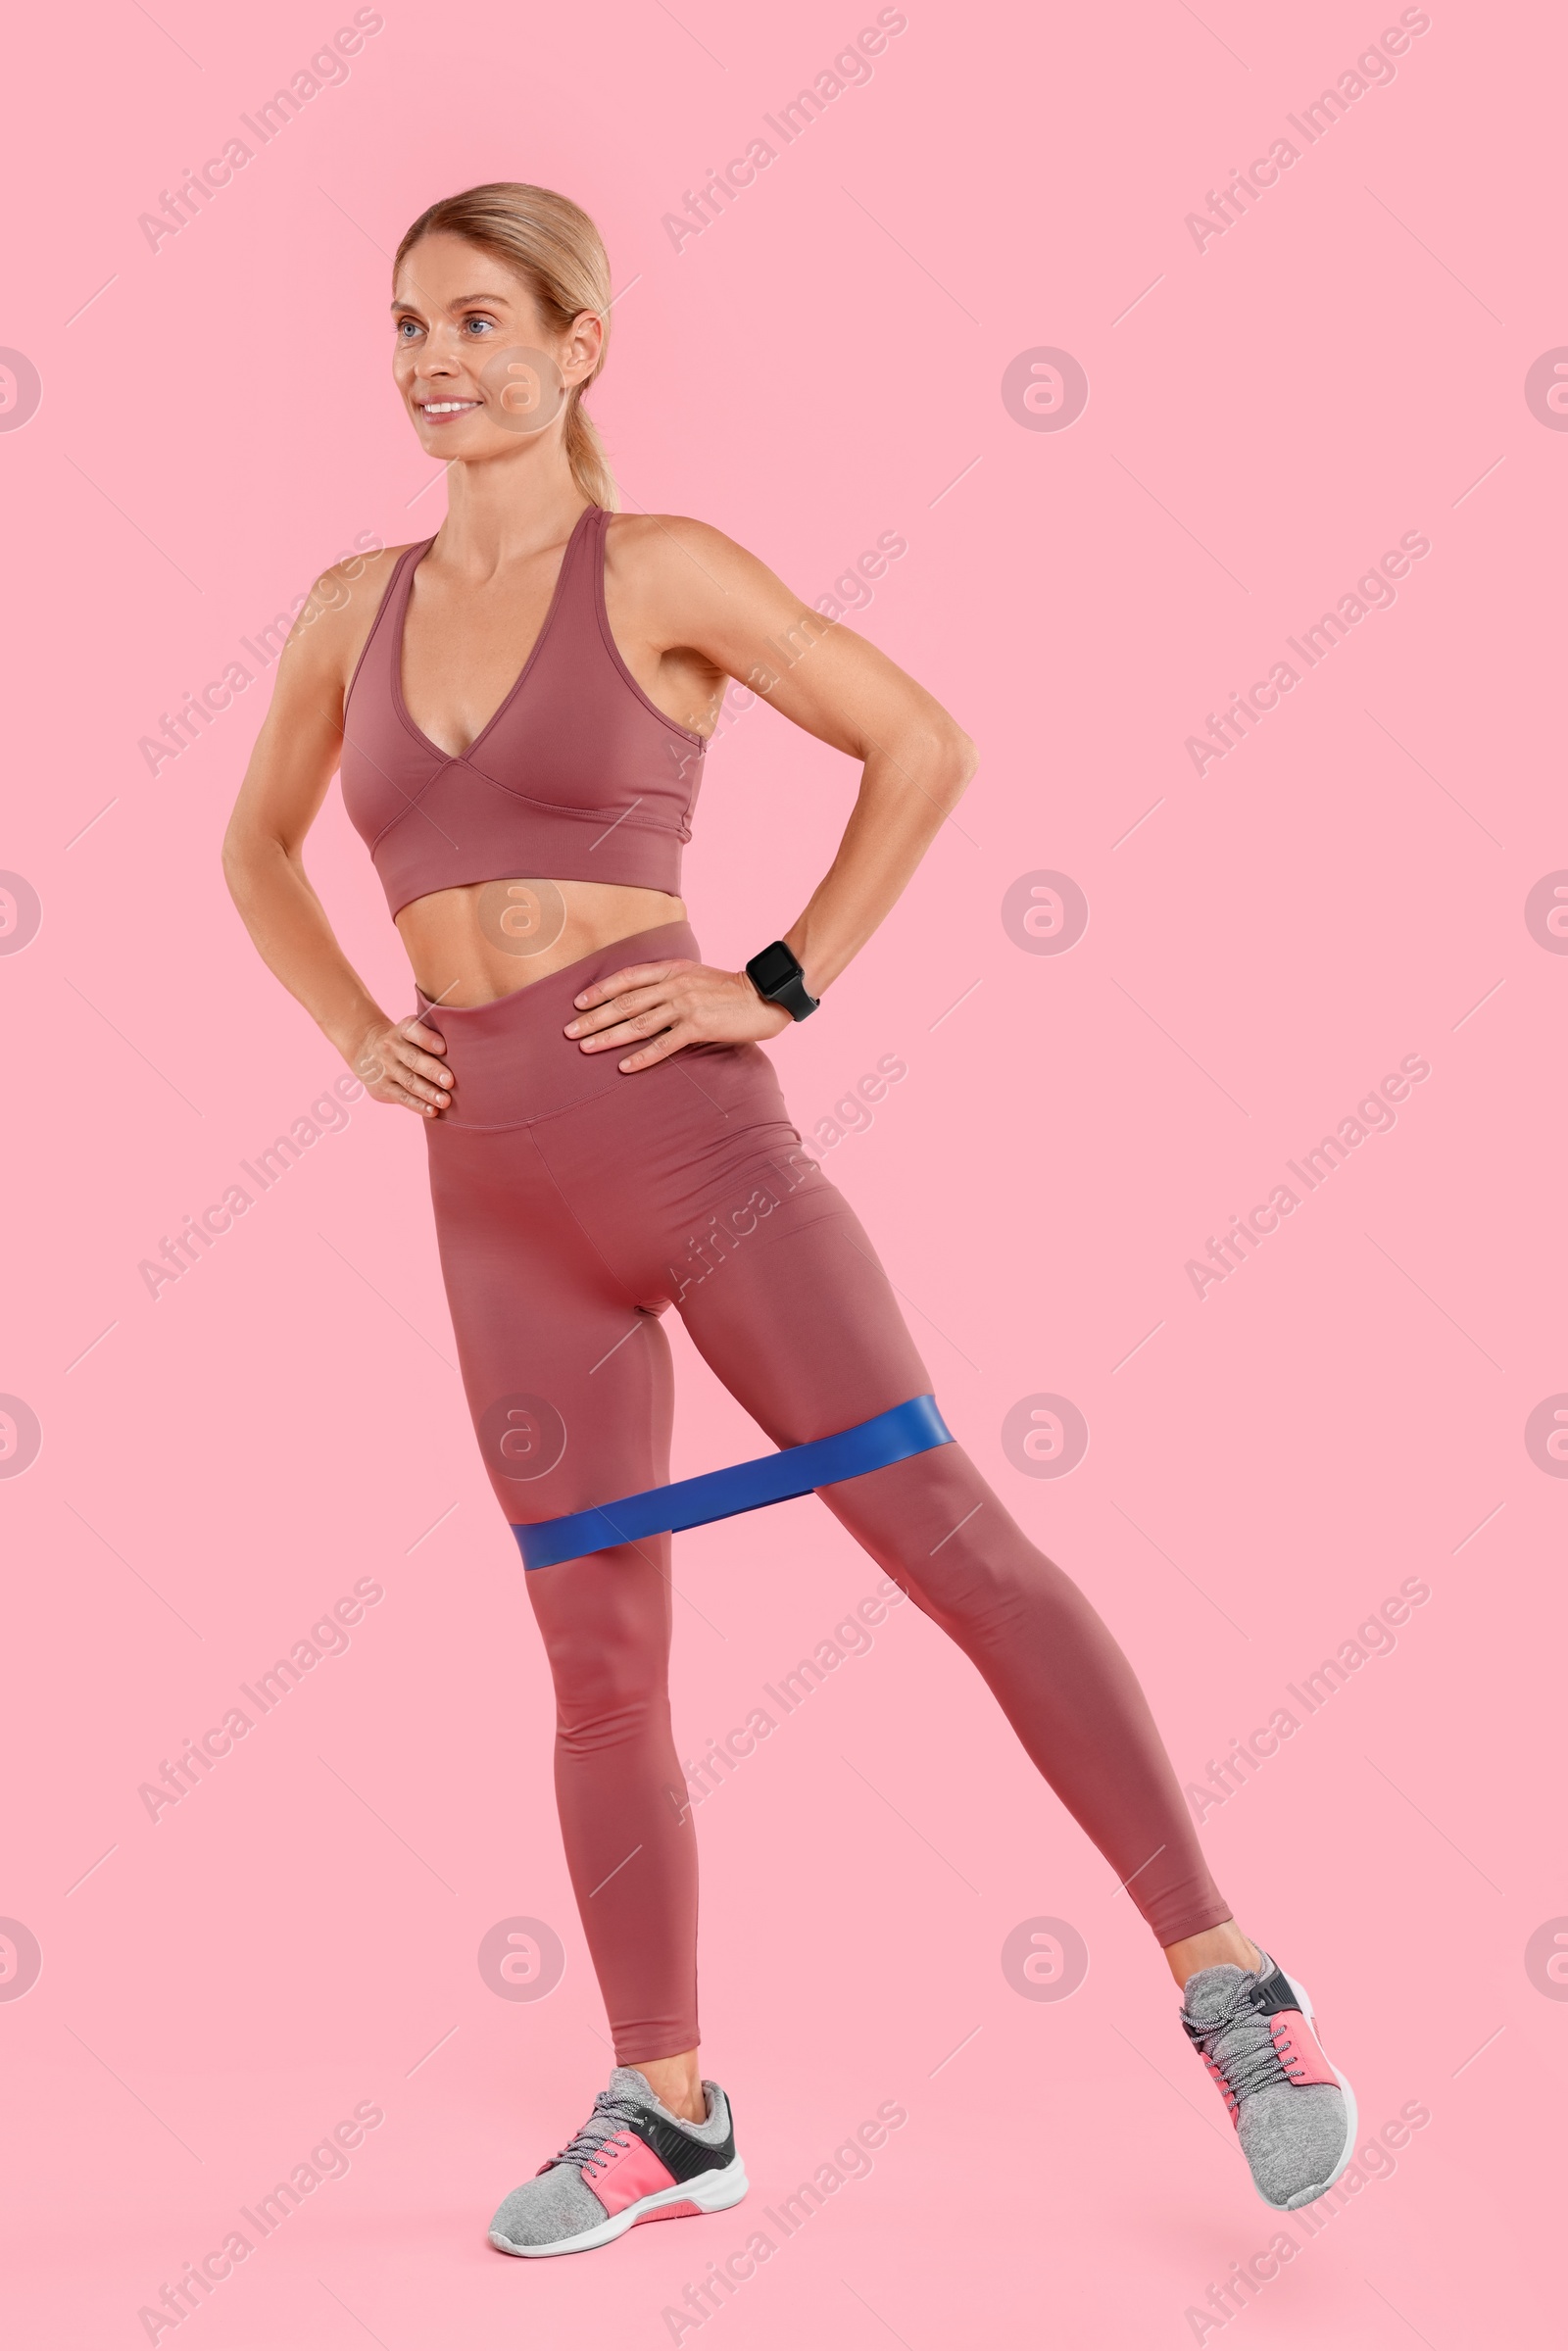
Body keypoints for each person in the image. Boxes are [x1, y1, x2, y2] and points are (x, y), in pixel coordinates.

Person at [221, 182, 1354, 2258]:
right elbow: (254, 844)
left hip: (698, 1153)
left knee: (951, 1545)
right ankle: (670, 2112)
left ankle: (1229, 1984)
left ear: (579, 346)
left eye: (479, 320)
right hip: (490, 1197)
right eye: (405, 326)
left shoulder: (657, 567)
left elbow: (916, 740)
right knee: (595, 1655)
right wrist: (344, 1027)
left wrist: (783, 975)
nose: (432, 361)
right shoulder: (337, 611)